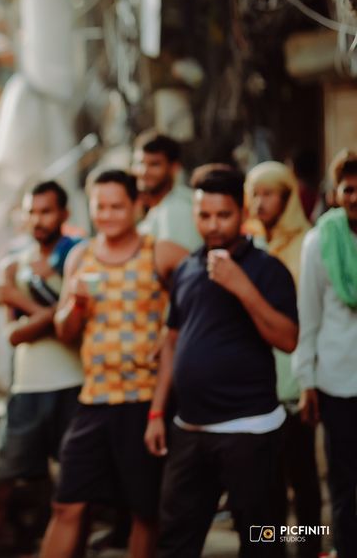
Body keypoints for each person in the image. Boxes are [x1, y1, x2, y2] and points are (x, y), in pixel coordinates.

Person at [148, 164, 299, 557]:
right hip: (190, 430)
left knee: (262, 541)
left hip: (250, 431)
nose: (213, 225)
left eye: (223, 215)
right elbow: (172, 340)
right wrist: (156, 412)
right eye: (204, 215)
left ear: (243, 212)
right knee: (175, 540)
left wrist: (241, 286)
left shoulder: (267, 269)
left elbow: (287, 339)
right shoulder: (186, 269)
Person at [40, 169, 186, 558]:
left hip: (144, 401)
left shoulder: (161, 251)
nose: (106, 214)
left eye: (116, 206)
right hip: (95, 399)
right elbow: (65, 330)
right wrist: (76, 305)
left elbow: (202, 295)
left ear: (137, 205)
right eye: (99, 206)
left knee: (144, 511)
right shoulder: (80, 256)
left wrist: (172, 331)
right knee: (67, 503)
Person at [0, 181, 83, 553]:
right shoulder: (13, 264)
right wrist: (56, 311)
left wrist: (28, 303)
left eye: (46, 211)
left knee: (75, 493)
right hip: (27, 389)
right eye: (32, 211)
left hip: (75, 384)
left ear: (64, 214)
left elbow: (75, 330)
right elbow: (14, 335)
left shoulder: (80, 255)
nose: (38, 219)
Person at [245, 161, 321, 554]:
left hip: (294, 379)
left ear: (287, 197)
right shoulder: (247, 246)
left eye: (269, 194)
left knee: (303, 479)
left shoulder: (308, 243)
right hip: (256, 385)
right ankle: (272, 548)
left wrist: (308, 379)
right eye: (254, 194)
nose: (259, 203)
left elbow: (311, 318)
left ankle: (310, 548)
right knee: (265, 486)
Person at [294, 149, 357, 558]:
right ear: (336, 194)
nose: (356, 196)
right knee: (344, 482)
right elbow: (309, 316)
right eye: (349, 188)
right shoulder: (320, 241)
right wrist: (307, 382)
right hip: (338, 381)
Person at [132, 131, 202, 254]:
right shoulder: (157, 207)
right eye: (140, 163)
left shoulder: (178, 208)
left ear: (174, 168)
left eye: (154, 164)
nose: (144, 171)